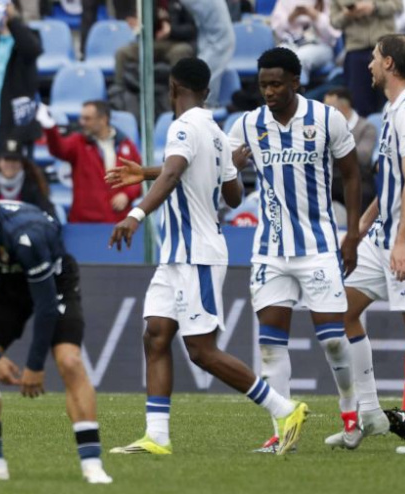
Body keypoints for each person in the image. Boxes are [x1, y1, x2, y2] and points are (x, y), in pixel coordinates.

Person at [104, 57, 309, 456]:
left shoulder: (182, 126)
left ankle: (284, 409)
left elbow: (174, 172)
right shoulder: (215, 131)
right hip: (178, 254)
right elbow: (231, 197)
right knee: (156, 334)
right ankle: (157, 436)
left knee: (201, 350)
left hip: (195, 253)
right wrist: (225, 168)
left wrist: (135, 213)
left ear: (173, 87)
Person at [227, 47, 363, 453]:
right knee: (270, 346)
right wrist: (231, 168)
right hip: (269, 250)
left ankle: (351, 415)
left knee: (334, 340)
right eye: (262, 84)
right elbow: (225, 185)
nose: (268, 91)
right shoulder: (248, 125)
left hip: (319, 245)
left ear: (295, 83)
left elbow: (353, 174)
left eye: (275, 84)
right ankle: (283, 432)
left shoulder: (325, 118)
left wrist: (352, 233)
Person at [0, 175, 112, 484]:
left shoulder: (26, 236)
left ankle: (92, 465)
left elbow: (45, 306)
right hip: (7, 285)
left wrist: (34, 366)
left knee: (69, 361)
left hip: (55, 282)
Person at [330, 34, 405, 455]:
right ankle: (369, 413)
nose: (369, 65)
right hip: (381, 238)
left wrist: (403, 242)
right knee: (340, 310)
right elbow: (395, 181)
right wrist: (364, 222)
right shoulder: (392, 109)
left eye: (375, 58)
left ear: (391, 65)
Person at [37, 100, 142, 223]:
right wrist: (50, 128)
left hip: (118, 222)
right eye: (82, 118)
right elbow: (59, 149)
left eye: (87, 119)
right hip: (84, 222)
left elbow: (139, 177)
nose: (82, 122)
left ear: (103, 119)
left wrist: (127, 195)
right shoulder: (78, 143)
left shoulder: (126, 145)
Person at [0, 0, 42, 163]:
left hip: (19, 123)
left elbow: (32, 50)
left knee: (22, 176)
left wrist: (13, 20)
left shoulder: (30, 37)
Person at [111, 0, 196, 114]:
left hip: (174, 42)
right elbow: (142, 27)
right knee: (122, 53)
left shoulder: (182, 3)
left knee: (181, 51)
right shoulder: (146, 3)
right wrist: (137, 22)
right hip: (150, 42)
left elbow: (191, 29)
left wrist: (171, 30)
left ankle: (178, 95)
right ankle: (118, 96)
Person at [330, 0, 401, 117]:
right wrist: (347, 14)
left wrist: (375, 7)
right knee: (360, 101)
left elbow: (398, 6)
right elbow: (334, 22)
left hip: (385, 46)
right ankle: (366, 133)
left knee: (391, 98)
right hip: (356, 49)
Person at [324, 87, 377, 210]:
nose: (324, 110)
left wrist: (337, 146)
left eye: (328, 107)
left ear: (343, 107)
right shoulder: (324, 126)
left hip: (359, 176)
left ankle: (360, 228)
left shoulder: (366, 127)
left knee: (363, 192)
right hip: (332, 176)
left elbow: (364, 156)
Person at [271, 0, 341, 87]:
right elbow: (277, 30)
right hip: (293, 43)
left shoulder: (328, 2)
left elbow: (333, 35)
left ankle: (298, 94)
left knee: (299, 58)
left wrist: (316, 16)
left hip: (321, 45)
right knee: (277, 56)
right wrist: (291, 17)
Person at [0, 139, 55, 217]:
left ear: (22, 163)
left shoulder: (34, 184)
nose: (10, 164)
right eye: (6, 159)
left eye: (15, 160)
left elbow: (49, 214)